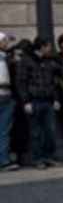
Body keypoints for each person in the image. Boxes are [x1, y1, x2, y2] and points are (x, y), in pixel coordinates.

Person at [15, 38, 62, 169]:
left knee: (50, 131)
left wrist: (56, 99)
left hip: (48, 100)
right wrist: (26, 101)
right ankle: (38, 159)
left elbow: (54, 82)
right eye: (48, 46)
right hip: (34, 100)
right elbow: (21, 82)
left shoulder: (49, 61)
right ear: (42, 47)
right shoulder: (26, 61)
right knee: (36, 132)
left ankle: (49, 156)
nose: (50, 49)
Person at [0, 33, 15, 171]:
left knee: (4, 130)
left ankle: (4, 159)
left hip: (6, 96)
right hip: (4, 95)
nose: (6, 43)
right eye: (4, 40)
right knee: (3, 130)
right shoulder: (3, 58)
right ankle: (3, 160)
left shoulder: (6, 57)